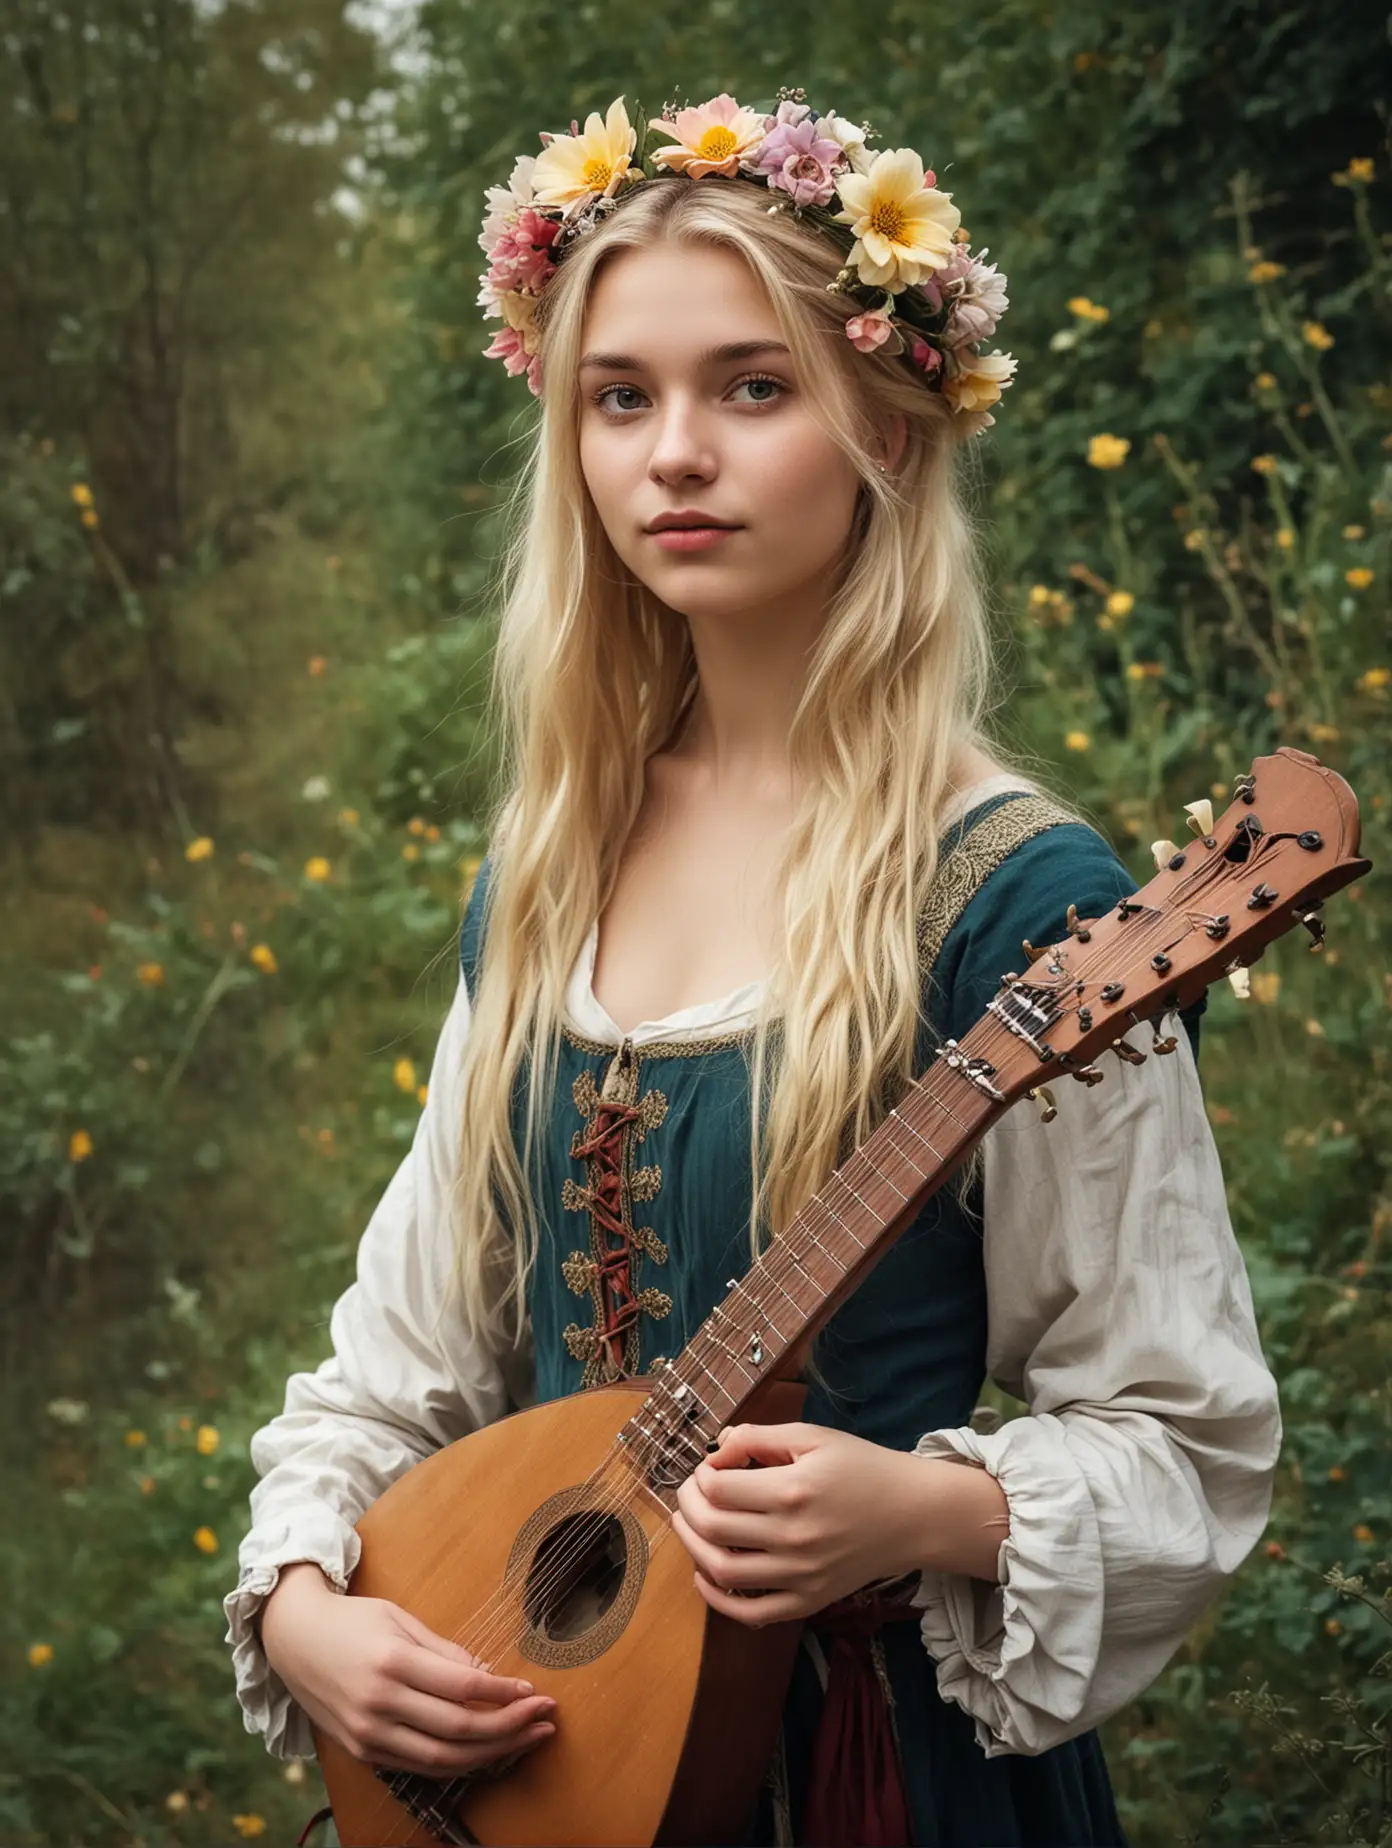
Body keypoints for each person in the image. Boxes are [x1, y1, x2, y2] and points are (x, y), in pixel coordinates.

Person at [224, 88, 1282, 1847]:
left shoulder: (1025, 903)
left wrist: (924, 1515)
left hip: (880, 1776)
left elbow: (1184, 1438)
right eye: (620, 398)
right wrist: (308, 1609)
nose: (674, 456)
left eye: (753, 386)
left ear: (887, 428)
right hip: (548, 1753)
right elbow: (405, 1353)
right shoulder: (553, 867)